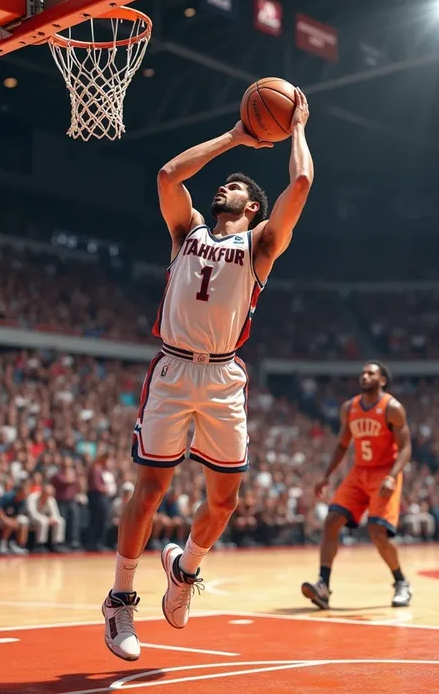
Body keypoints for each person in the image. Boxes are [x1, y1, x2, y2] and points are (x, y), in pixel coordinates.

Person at [102, 88, 313, 661]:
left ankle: (185, 567)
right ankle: (120, 600)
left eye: (237, 185)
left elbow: (300, 187)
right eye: (225, 183)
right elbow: (170, 176)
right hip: (172, 369)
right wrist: (235, 137)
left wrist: (295, 128)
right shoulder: (186, 231)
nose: (225, 186)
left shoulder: (262, 243)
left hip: (223, 378)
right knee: (149, 491)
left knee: (225, 501)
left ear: (251, 207)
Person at [301, 361, 413, 609]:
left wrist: (392, 476)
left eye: (371, 373)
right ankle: (323, 586)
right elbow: (342, 445)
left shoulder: (392, 408)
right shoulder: (349, 408)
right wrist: (327, 476)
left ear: (382, 380)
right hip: (359, 472)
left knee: (377, 531)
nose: (365, 375)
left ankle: (401, 582)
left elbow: (405, 448)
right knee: (331, 521)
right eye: (363, 372)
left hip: (384, 473)